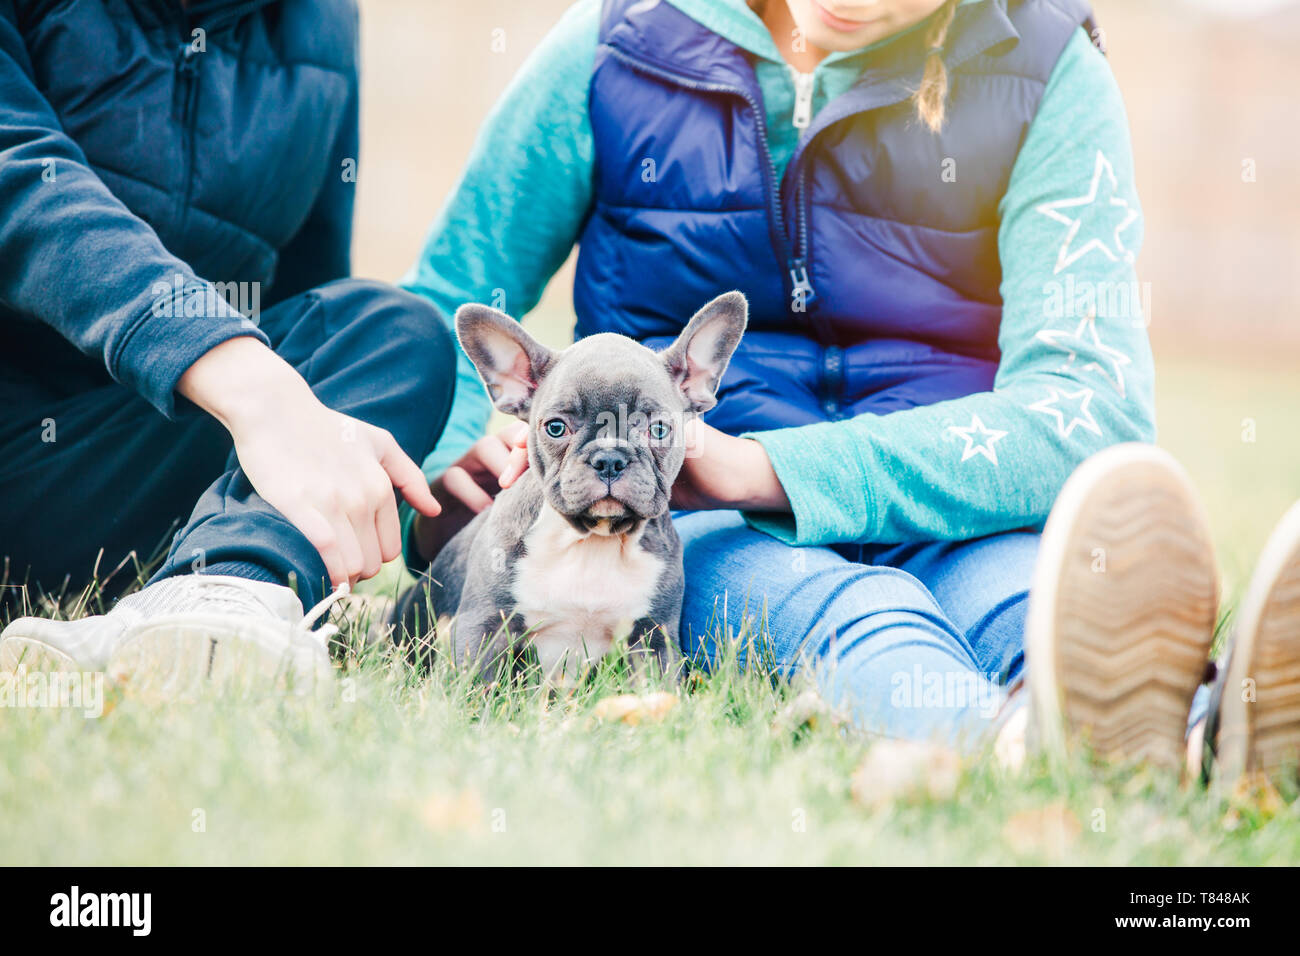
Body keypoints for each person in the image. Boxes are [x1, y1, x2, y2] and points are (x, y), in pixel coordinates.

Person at [398, 0, 1300, 782]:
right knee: (857, 616)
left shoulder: (1045, 66)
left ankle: (1197, 740)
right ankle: (1014, 744)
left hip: (956, 494)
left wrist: (777, 468)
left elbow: (1092, 405)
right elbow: (447, 299)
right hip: (697, 519)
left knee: (1028, 605)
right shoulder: (619, 46)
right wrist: (442, 486)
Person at [0, 0, 453, 687]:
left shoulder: (323, 21)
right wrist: (245, 380)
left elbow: (311, 302)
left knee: (393, 331)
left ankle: (216, 596)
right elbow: (20, 181)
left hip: (107, 473)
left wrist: (412, 459)